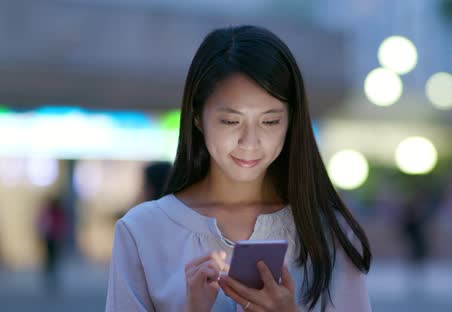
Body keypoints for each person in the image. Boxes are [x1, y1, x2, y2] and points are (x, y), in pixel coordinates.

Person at [106, 25, 372, 312]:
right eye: (231, 121)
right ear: (197, 116)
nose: (250, 142)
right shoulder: (142, 232)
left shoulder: (328, 233)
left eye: (269, 122)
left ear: (291, 121)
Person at [37, 197, 67, 293]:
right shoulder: (51, 213)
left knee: (51, 259)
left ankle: (50, 277)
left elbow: (59, 226)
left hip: (52, 238)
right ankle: (50, 277)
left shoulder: (55, 213)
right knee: (50, 259)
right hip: (50, 238)